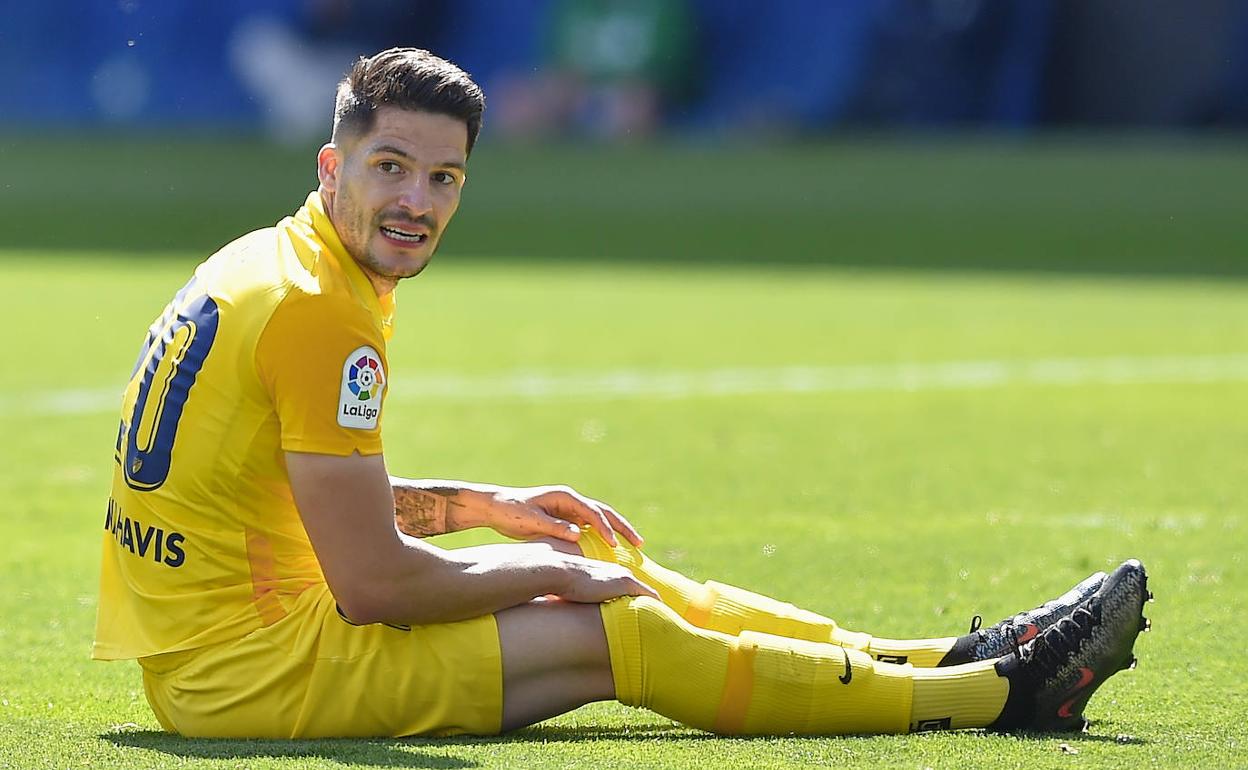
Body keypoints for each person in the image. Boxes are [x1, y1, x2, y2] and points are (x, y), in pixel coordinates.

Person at [93, 48, 1150, 739]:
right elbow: (372, 584)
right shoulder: (324, 309)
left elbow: (272, 493)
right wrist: (533, 566)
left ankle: (942, 653)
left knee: (600, 568)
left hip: (226, 648)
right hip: (250, 675)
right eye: (390, 168)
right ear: (335, 165)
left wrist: (478, 509)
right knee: (615, 622)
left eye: (444, 178)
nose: (416, 202)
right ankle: (989, 695)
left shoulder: (280, 262)